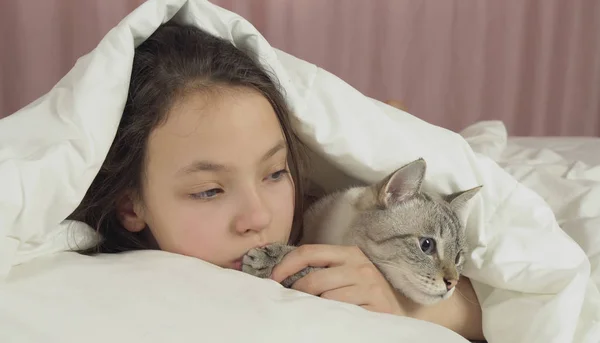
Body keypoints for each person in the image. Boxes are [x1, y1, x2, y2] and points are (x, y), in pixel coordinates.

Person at [69, 21, 484, 341]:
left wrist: (414, 307)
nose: (258, 216)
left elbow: (519, 298)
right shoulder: (104, 298)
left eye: (274, 173)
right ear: (130, 207)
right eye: (209, 190)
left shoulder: (321, 215)